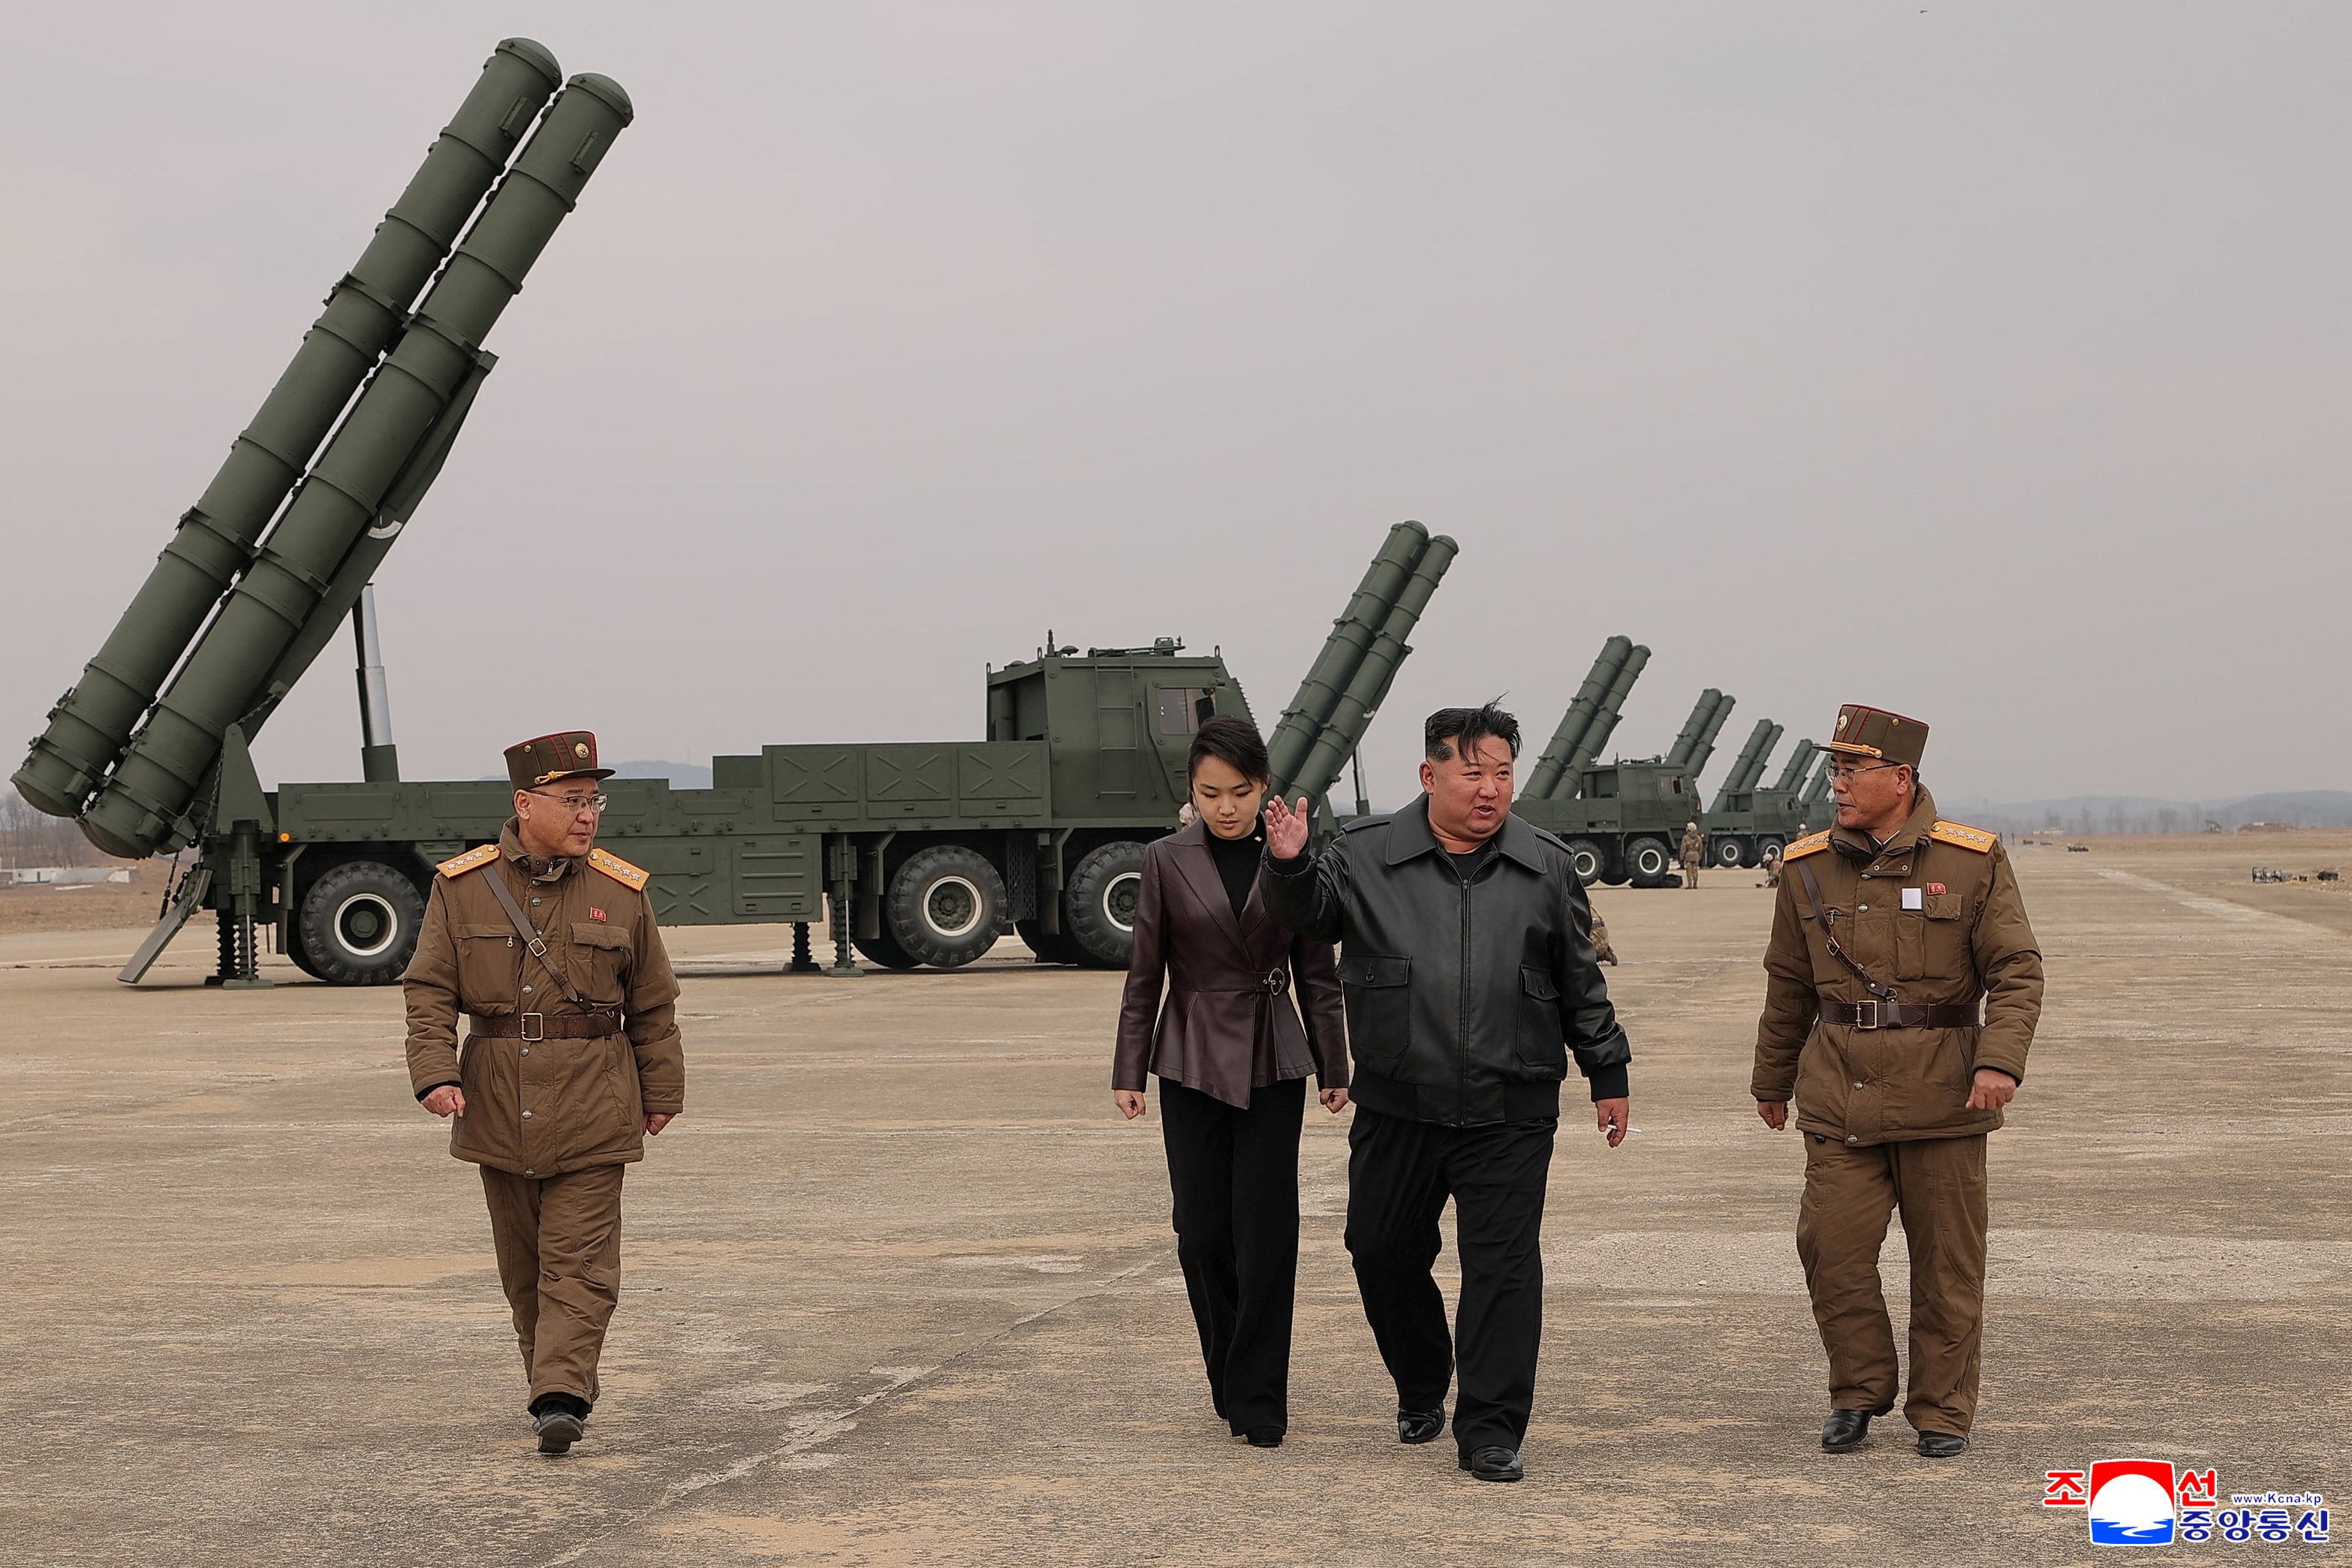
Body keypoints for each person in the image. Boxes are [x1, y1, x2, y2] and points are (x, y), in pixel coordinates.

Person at [1262, 703, 1631, 1484]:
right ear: (1429, 775)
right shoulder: (1363, 854)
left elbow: (1579, 977)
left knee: (1502, 1268)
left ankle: (1491, 1427)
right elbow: (1306, 917)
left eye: (1502, 772)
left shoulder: (1546, 863)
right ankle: (1424, 1377)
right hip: (1399, 1100)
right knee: (1380, 1249)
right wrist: (1291, 863)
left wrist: (1607, 1071)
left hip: (1511, 1102)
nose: (1489, 789)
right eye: (1473, 772)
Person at [1750, 705, 2041, 1460]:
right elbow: (1786, 983)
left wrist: (1998, 1060)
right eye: (1835, 769)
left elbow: (2015, 970)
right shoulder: (1806, 866)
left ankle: (1942, 1408)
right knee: (1830, 1247)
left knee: (1946, 1264)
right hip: (1838, 1091)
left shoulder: (1969, 861)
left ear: (1900, 777)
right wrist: (1770, 1080)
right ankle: (1857, 1391)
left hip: (1944, 1097)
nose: (1838, 784)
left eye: (1853, 770)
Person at [403, 731, 686, 1455]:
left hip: (596, 1092)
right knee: (524, 1264)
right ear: (524, 803)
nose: (588, 814)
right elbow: (430, 989)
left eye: (594, 800)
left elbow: (653, 1003)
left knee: (580, 1259)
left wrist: (663, 1088)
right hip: (498, 1095)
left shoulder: (621, 891)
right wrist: (435, 1071)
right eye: (572, 800)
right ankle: (554, 1380)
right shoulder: (461, 886)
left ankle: (559, 1395)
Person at [1113, 718, 1348, 1448]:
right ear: (1191, 789)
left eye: (1239, 792)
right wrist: (1129, 1068)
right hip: (1187, 1057)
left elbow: (1318, 972)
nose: (1224, 806)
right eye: (1210, 792)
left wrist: (1334, 1064)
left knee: (1266, 1233)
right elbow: (1144, 972)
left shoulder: (1291, 857)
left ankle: (1260, 1398)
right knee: (1201, 1234)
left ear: (1264, 789)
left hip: (1274, 1057)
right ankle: (1229, 1370)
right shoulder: (1163, 859)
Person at [1679, 820, 1705, 889]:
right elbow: (1701, 848)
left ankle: (1690, 885)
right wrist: (1699, 856)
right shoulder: (1698, 838)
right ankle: (1695, 884)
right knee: (1695, 871)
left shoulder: (1685, 838)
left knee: (1689, 871)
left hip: (1688, 856)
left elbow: (1683, 848)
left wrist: (1682, 857)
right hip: (1696, 855)